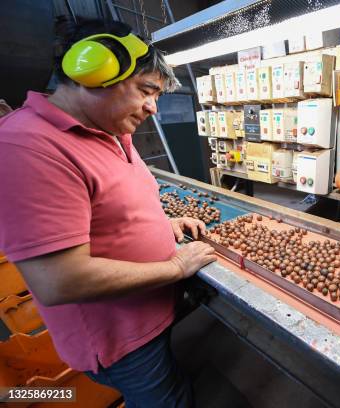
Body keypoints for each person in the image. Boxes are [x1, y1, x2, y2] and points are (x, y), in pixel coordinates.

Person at [0, 17, 216, 407]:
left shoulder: (114, 131)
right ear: (93, 71)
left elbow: (108, 211)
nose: (153, 107)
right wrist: (176, 268)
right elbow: (60, 281)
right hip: (122, 339)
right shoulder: (27, 146)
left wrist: (164, 225)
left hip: (152, 312)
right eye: (146, 91)